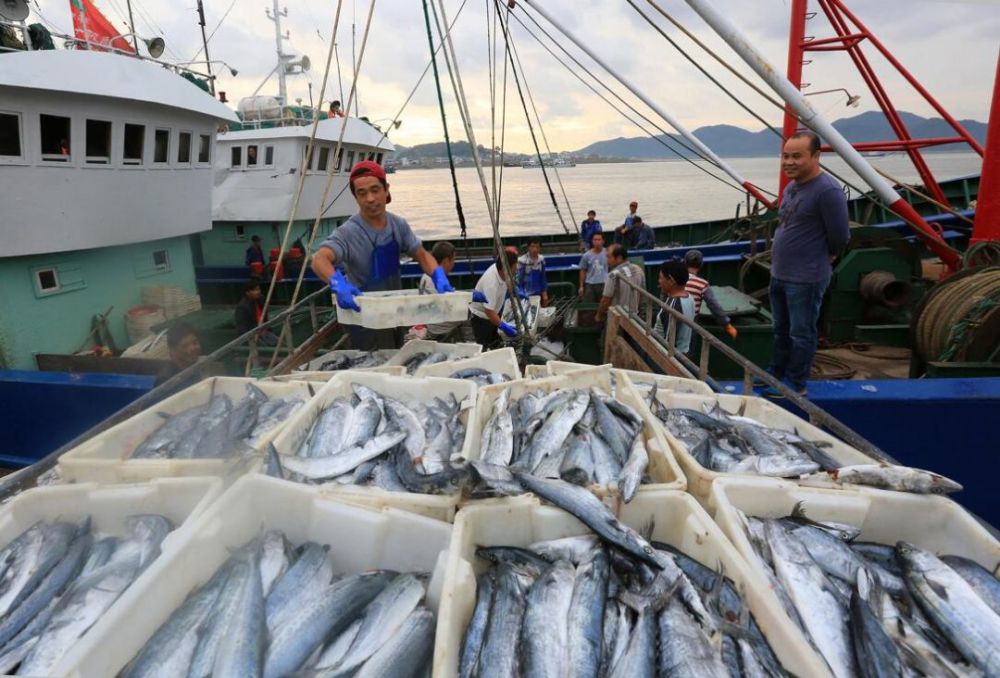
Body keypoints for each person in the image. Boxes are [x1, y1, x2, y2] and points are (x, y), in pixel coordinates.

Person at [311, 160, 455, 350]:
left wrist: (438, 274)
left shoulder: (398, 225)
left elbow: (421, 254)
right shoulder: (348, 232)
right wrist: (339, 283)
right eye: (362, 193)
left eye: (375, 190)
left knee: (397, 355)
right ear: (356, 197)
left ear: (386, 189)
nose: (370, 198)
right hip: (365, 318)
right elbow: (319, 260)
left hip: (395, 313)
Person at [763, 130, 851, 397]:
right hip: (780, 273)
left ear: (816, 156)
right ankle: (776, 373)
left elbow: (840, 236)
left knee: (801, 333)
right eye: (786, 156)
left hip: (807, 277)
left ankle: (795, 382)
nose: (789, 162)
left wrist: (830, 255)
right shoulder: (791, 187)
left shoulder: (828, 191)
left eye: (797, 156)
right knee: (781, 330)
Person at [470, 248, 519, 348]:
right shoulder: (491, 284)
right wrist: (504, 327)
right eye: (514, 266)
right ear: (506, 268)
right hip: (482, 318)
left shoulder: (502, 271)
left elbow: (509, 282)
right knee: (484, 347)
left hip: (494, 313)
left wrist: (516, 290)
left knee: (496, 344)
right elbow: (489, 311)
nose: (516, 268)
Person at [684, 250, 738, 339]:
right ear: (701, 265)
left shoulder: (676, 278)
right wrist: (727, 325)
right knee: (686, 350)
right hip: (690, 323)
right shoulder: (702, 284)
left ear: (685, 263)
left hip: (673, 318)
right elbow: (713, 305)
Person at [418, 241, 466, 341]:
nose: (454, 263)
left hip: (432, 324)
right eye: (453, 260)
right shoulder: (432, 281)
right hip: (440, 330)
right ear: (446, 260)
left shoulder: (428, 276)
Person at [653, 260, 696, 354]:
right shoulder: (689, 297)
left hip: (672, 357)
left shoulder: (673, 307)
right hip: (684, 351)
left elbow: (668, 342)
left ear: (671, 281)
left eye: (661, 278)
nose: (659, 281)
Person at [595, 244, 645, 322]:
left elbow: (606, 300)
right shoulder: (639, 270)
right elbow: (641, 294)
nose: (607, 260)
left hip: (617, 319)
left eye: (609, 257)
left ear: (619, 258)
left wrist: (598, 315)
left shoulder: (613, 275)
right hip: (634, 317)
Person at [155, 323, 202, 387]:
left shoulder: (193, 366)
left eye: (195, 343)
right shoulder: (166, 380)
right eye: (185, 346)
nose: (192, 348)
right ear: (172, 350)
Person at [234, 279, 278, 346]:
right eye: (255, 290)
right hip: (253, 336)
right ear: (247, 292)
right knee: (265, 347)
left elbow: (265, 317)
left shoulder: (261, 299)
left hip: (264, 331)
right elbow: (242, 328)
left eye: (258, 289)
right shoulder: (242, 308)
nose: (258, 292)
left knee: (279, 342)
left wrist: (269, 330)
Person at [517, 238, 549, 306]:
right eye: (532, 246)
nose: (535, 249)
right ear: (528, 247)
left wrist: (544, 294)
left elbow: (543, 278)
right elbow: (519, 281)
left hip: (538, 293)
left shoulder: (541, 260)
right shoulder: (522, 261)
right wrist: (522, 295)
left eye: (537, 247)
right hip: (525, 294)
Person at [578, 231, 608, 302]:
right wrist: (581, 286)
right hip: (590, 284)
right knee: (589, 306)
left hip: (604, 283)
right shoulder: (586, 255)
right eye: (595, 240)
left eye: (599, 239)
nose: (597, 242)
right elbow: (583, 271)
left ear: (603, 241)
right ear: (592, 241)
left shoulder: (608, 253)